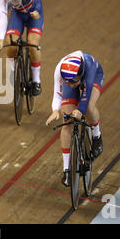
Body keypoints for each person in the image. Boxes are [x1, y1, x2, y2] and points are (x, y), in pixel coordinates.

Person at [45, 50, 104, 187]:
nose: (70, 85)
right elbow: (57, 93)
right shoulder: (61, 71)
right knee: (68, 123)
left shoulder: (88, 68)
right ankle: (66, 169)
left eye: (73, 82)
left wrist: (80, 110)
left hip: (94, 76)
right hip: (74, 76)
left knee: (88, 107)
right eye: (68, 82)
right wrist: (55, 110)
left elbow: (86, 93)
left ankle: (97, 136)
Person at [0, 0, 44, 96]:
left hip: (33, 17)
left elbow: (38, 3)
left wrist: (36, 13)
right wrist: (0, 39)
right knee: (10, 45)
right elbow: (4, 16)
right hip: (18, 16)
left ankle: (36, 80)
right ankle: (16, 74)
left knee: (33, 44)